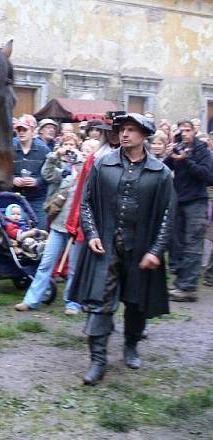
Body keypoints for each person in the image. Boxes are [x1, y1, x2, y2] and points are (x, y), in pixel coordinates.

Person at [71, 113, 175, 385]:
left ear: (144, 134)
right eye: (122, 129)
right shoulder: (103, 164)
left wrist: (156, 250)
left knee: (136, 303)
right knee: (99, 302)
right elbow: (86, 203)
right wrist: (92, 233)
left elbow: (168, 214)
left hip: (141, 250)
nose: (124, 134)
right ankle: (97, 360)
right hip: (106, 247)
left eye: (131, 129)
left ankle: (131, 346)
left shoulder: (161, 173)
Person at [15, 132, 84, 314]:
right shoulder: (64, 170)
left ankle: (72, 303)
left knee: (75, 267)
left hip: (77, 226)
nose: (71, 148)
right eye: (67, 144)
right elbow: (46, 174)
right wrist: (56, 155)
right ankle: (31, 300)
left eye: (73, 145)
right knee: (46, 262)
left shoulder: (87, 170)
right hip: (58, 225)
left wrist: (81, 160)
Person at [164, 119, 213, 302]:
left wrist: (187, 160)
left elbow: (208, 176)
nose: (184, 133)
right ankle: (180, 283)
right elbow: (165, 167)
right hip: (180, 200)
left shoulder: (202, 151)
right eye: (181, 130)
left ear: (194, 132)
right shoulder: (178, 148)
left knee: (193, 244)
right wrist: (170, 155)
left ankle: (189, 288)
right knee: (178, 244)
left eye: (187, 130)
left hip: (197, 202)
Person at [12, 114, 50, 230]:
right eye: (19, 129)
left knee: (41, 231)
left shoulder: (44, 150)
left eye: (24, 129)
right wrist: (12, 179)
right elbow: (1, 171)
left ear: (33, 130)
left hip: (37, 199)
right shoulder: (10, 149)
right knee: (14, 233)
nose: (21, 132)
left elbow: (50, 176)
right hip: (15, 198)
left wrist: (37, 181)